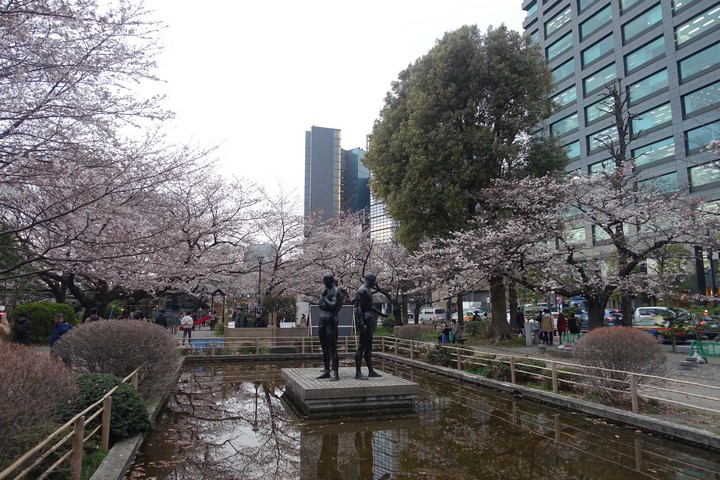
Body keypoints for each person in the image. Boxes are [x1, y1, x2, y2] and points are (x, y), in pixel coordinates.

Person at [354, 273, 388, 380]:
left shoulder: (368, 290)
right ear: (371, 279)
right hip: (364, 320)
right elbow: (358, 307)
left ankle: (371, 371)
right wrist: (361, 322)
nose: (375, 282)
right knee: (361, 347)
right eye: (374, 280)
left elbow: (370, 306)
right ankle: (358, 372)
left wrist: (381, 314)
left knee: (368, 348)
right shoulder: (362, 290)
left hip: (368, 321)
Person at [317, 273, 343, 381]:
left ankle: (335, 373)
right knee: (324, 348)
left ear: (330, 280)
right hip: (322, 319)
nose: (324, 283)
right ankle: (327, 370)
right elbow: (320, 305)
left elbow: (333, 305)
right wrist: (324, 299)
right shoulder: (325, 291)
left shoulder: (336, 291)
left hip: (331, 320)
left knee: (332, 348)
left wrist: (324, 298)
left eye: (325, 281)